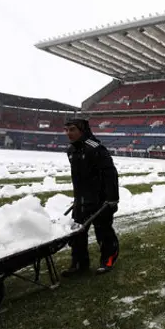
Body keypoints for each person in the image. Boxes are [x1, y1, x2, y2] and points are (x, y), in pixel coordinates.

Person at [61, 118, 120, 277]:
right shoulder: (71, 151)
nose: (68, 134)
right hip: (81, 200)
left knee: (104, 232)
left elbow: (110, 174)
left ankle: (108, 260)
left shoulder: (96, 149)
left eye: (72, 129)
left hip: (100, 200)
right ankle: (79, 264)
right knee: (76, 234)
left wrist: (112, 198)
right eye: (66, 130)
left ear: (82, 130)